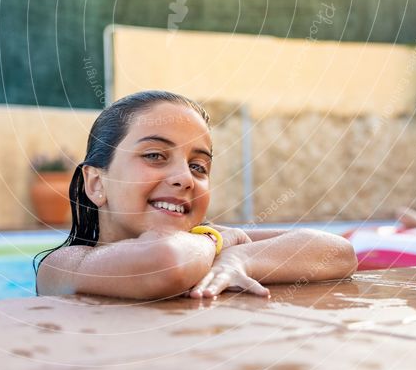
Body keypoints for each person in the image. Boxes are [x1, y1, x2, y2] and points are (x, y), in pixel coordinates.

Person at [34, 90, 357, 300]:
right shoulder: (63, 266)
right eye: (155, 156)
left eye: (199, 166)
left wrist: (241, 258)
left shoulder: (207, 249)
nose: (184, 178)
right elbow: (166, 262)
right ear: (96, 184)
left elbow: (338, 252)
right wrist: (222, 241)